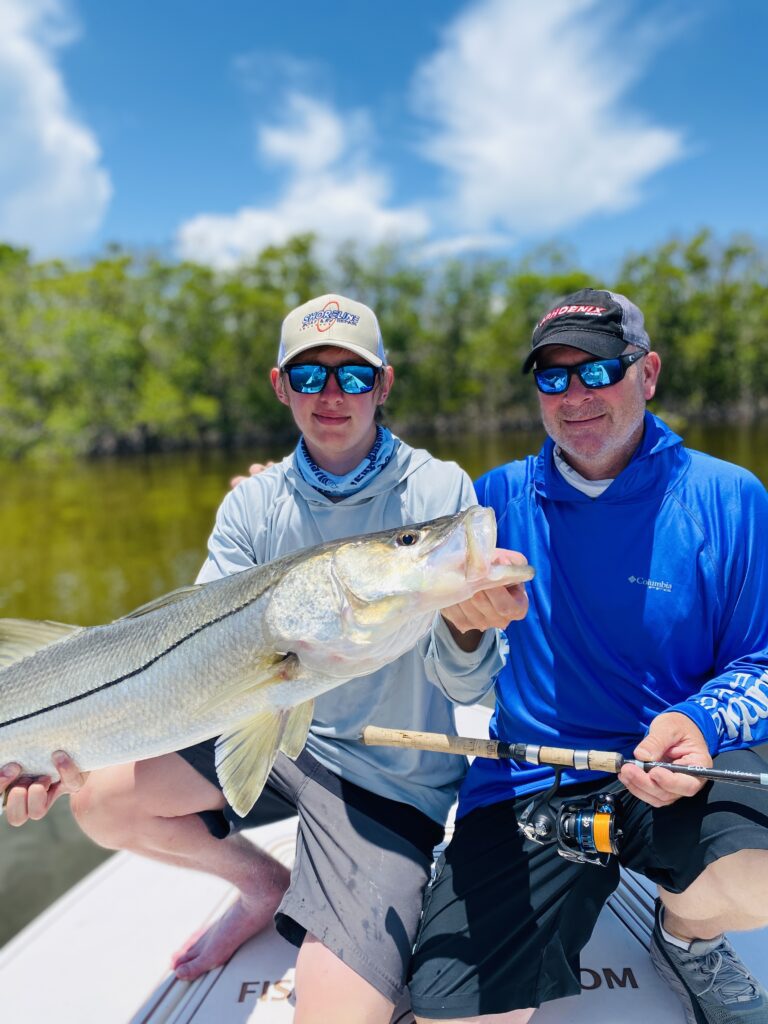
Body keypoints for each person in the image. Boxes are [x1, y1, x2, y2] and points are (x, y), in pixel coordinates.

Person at [0, 294, 528, 1024]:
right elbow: (189, 662)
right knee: (98, 798)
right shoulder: (252, 504)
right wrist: (60, 754)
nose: (333, 395)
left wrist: (469, 630)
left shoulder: (437, 491)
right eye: (311, 377)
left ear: (385, 383)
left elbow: (466, 681)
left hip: (384, 775)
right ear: (281, 387)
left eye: (354, 375)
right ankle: (263, 888)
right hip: (273, 724)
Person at [407, 288, 768, 1024]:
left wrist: (701, 723)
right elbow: (454, 675)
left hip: (673, 770)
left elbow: (762, 661)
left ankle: (690, 935)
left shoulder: (731, 497)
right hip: (527, 783)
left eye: (598, 369)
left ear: (648, 372)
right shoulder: (493, 500)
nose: (575, 396)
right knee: (453, 1016)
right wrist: (465, 630)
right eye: (552, 376)